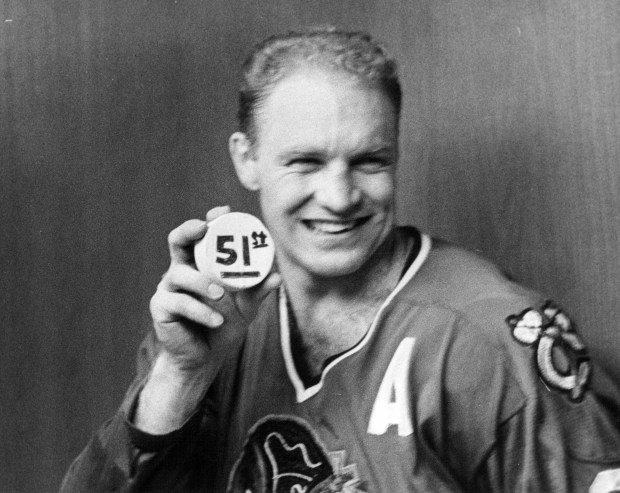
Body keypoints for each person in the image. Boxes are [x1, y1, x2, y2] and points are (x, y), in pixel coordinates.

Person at [61, 28, 620, 492]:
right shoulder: (213, 317)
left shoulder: (495, 341)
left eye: (369, 161)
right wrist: (180, 378)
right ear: (247, 159)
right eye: (305, 161)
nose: (339, 196)